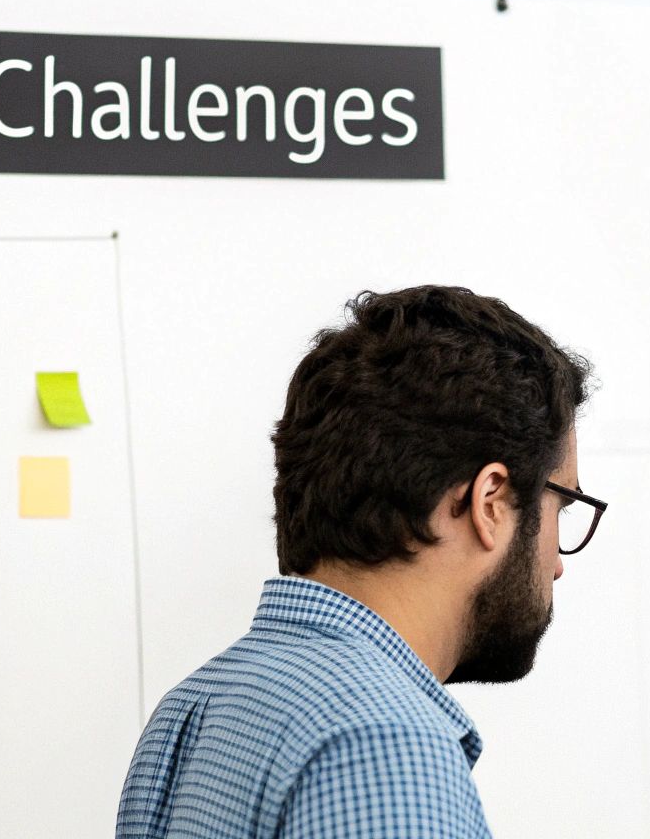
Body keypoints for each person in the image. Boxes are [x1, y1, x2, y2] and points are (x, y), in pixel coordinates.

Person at [116, 285, 601, 839]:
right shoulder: (386, 744)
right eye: (562, 505)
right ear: (489, 502)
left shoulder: (192, 709)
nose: (557, 566)